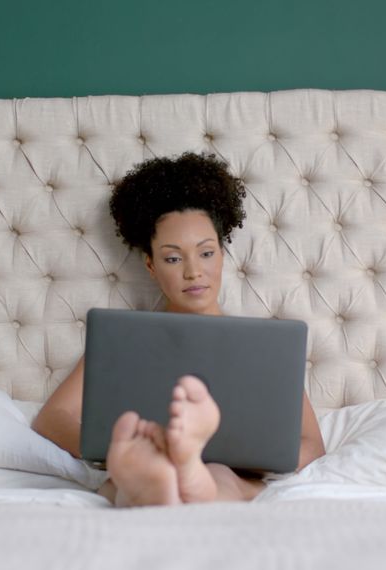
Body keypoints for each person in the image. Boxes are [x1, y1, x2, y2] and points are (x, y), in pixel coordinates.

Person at [32, 152, 326, 507]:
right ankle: (161, 475)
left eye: (206, 253)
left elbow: (312, 443)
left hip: (233, 472)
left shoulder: (263, 345)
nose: (193, 272)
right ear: (151, 266)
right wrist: (114, 447)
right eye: (173, 258)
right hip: (145, 460)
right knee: (126, 481)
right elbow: (52, 417)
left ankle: (183, 475)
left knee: (218, 477)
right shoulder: (123, 340)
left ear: (222, 255)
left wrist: (263, 460)